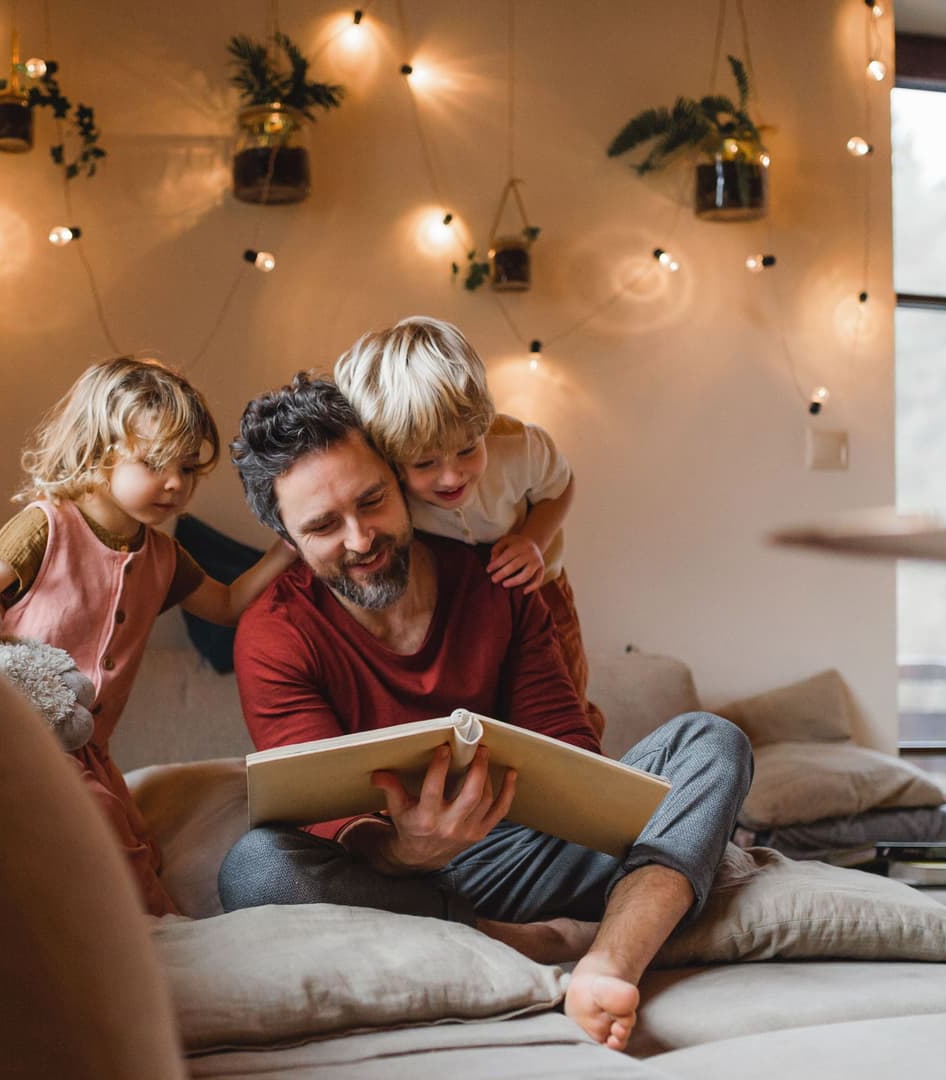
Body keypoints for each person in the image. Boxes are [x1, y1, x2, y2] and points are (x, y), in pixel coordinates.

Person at [218, 373, 752, 1051]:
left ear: (396, 477)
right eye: (323, 526)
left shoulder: (494, 580)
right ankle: (525, 938)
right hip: (393, 876)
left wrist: (581, 799)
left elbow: (567, 741)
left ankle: (610, 961)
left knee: (711, 742)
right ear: (288, 541)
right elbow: (324, 823)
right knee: (255, 867)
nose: (360, 539)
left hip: (522, 845)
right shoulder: (274, 634)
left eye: (373, 501)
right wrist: (409, 847)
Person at [0, 356, 293, 916]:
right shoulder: (47, 526)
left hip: (91, 753)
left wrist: (288, 548)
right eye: (156, 463)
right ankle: (161, 931)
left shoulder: (162, 555)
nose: (176, 484)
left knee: (136, 845)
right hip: (18, 734)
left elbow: (229, 605)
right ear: (99, 451)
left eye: (188, 469)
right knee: (100, 829)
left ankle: (145, 932)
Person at [333, 315, 605, 739]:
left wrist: (534, 541)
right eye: (425, 463)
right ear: (391, 460)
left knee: (567, 697)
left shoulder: (519, 447)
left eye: (466, 450)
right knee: (489, 705)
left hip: (536, 583)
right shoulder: (386, 486)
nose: (451, 477)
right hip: (458, 601)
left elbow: (561, 487)